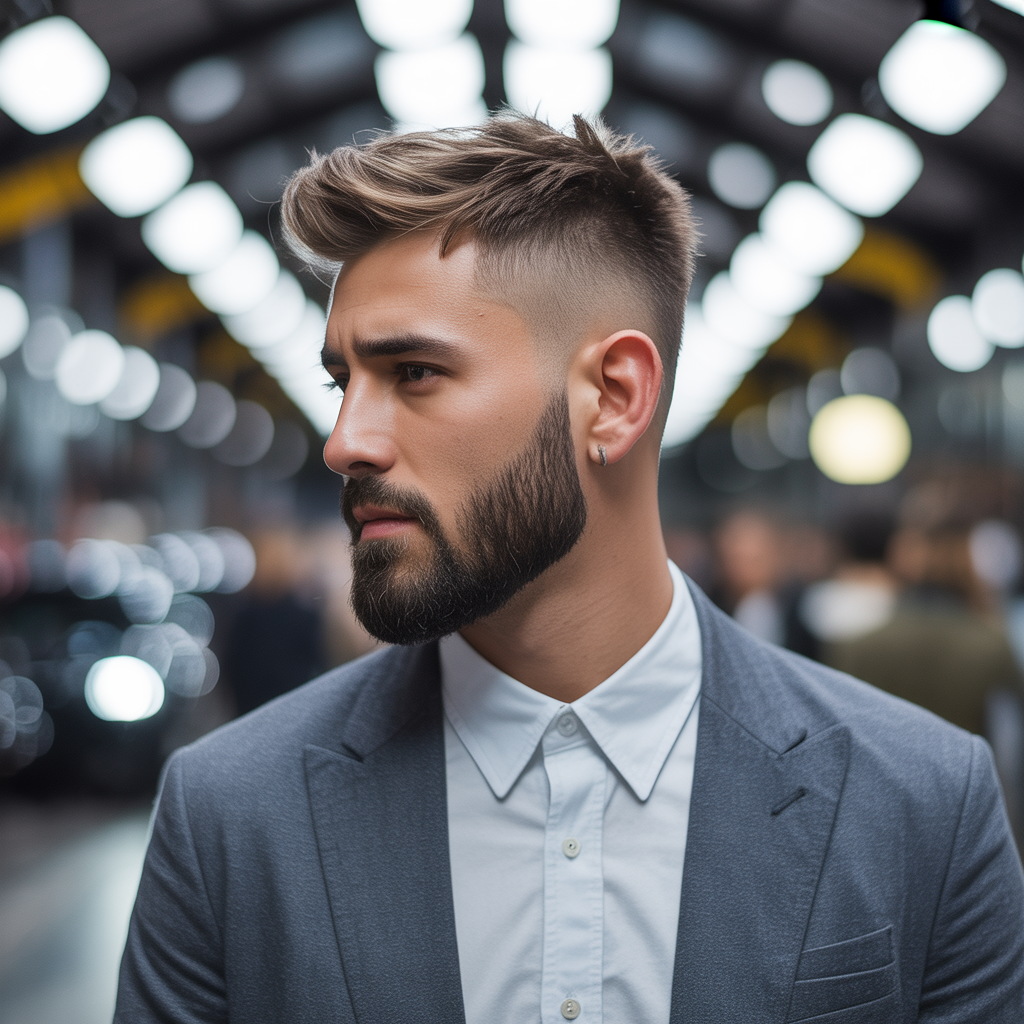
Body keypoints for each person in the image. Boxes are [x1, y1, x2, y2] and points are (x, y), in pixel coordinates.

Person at [114, 114, 1024, 1023]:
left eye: (416, 372)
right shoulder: (227, 819)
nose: (346, 442)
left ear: (614, 398)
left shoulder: (924, 805)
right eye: (341, 381)